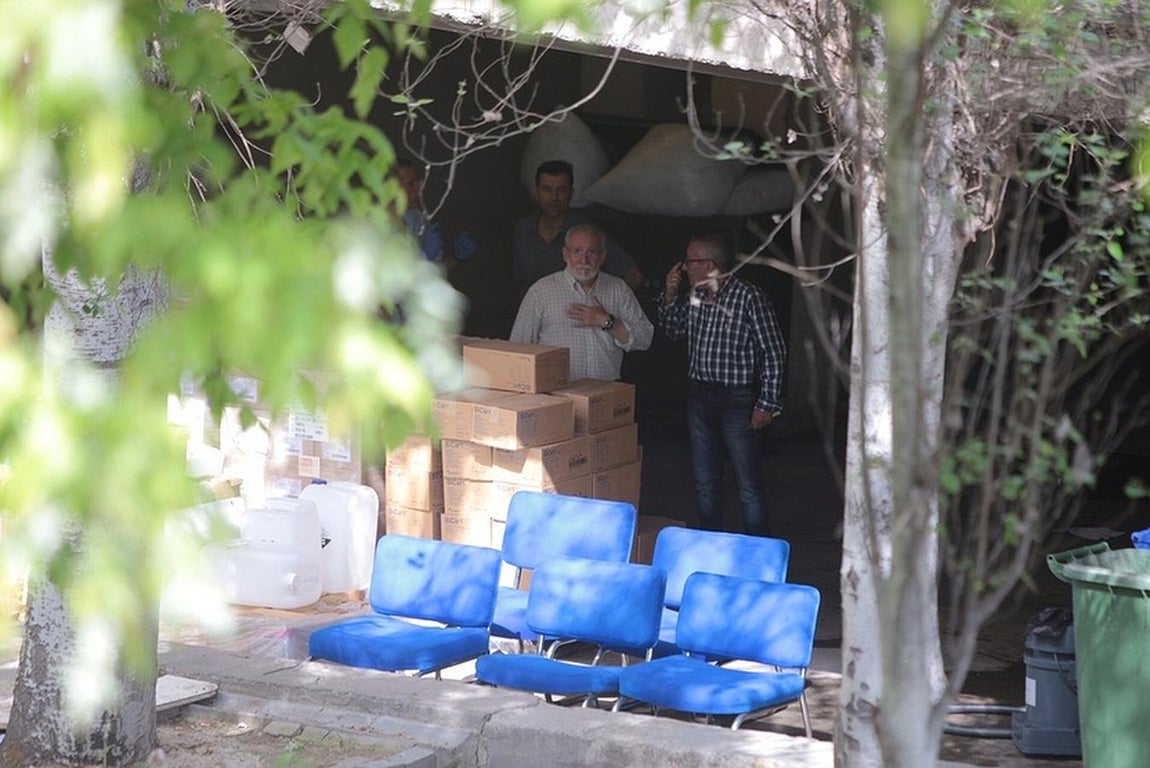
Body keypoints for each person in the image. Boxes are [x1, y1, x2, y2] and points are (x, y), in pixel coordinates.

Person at [658, 233, 786, 537]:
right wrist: (669, 294)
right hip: (700, 396)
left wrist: (767, 404)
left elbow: (774, 350)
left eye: (691, 262)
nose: (685, 267)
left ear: (711, 265)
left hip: (738, 399)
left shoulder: (748, 297)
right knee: (705, 481)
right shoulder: (696, 295)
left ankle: (757, 549)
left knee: (748, 482)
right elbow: (673, 330)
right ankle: (710, 543)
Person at [511, 223, 653, 381]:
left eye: (591, 252)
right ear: (565, 254)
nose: (584, 260)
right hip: (555, 395)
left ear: (603, 256)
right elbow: (517, 349)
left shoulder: (618, 289)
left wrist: (607, 321)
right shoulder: (540, 292)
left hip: (605, 394)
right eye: (577, 251)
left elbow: (645, 339)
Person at [512, 160, 644, 295]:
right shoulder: (523, 230)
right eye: (547, 189)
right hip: (538, 311)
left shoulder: (588, 231)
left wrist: (605, 308)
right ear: (537, 192)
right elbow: (522, 285)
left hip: (578, 312)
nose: (554, 197)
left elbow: (634, 276)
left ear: (571, 193)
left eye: (561, 190)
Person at [394, 158, 476, 263]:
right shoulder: (376, 225)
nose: (418, 188)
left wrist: (455, 257)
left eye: (417, 182)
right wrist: (424, 257)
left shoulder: (416, 217)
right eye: (410, 184)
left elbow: (435, 268)